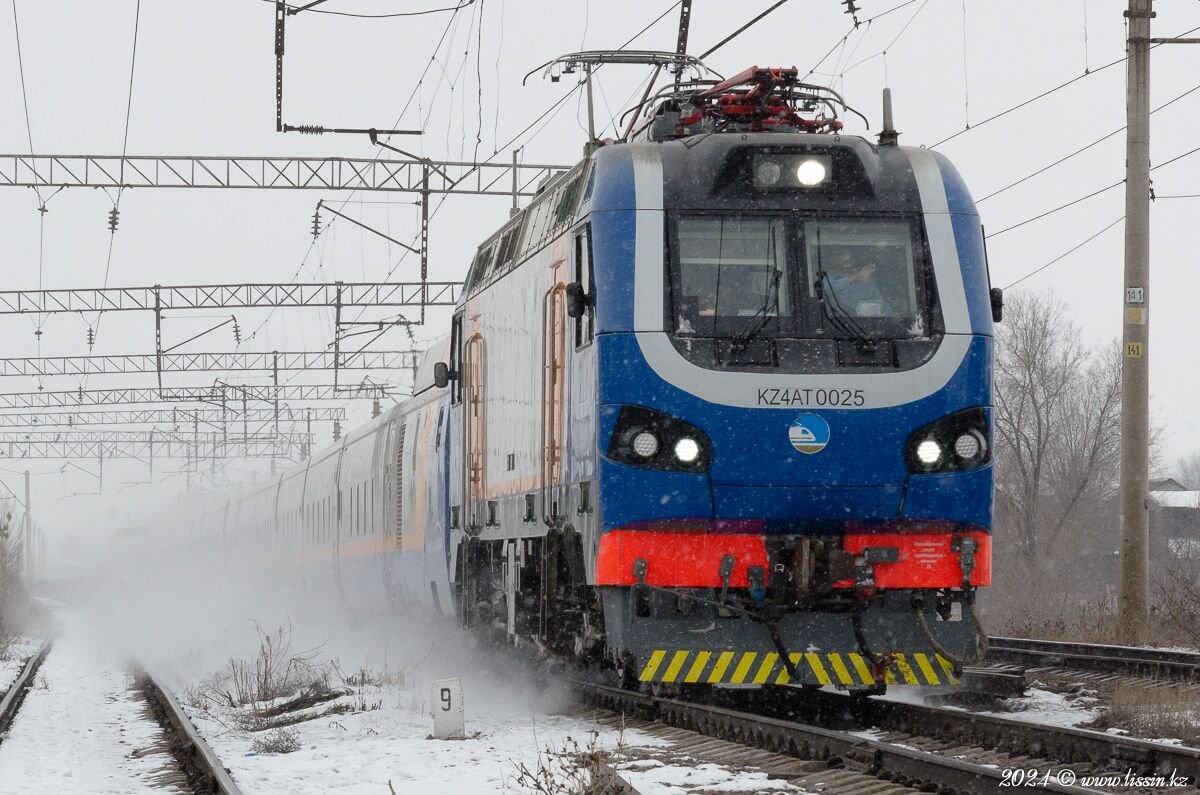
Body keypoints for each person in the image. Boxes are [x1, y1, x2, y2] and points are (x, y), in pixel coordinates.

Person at [825, 250, 887, 317]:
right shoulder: (829, 278)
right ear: (835, 261)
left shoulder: (868, 282)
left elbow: (881, 305)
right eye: (843, 260)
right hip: (834, 323)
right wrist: (856, 277)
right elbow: (826, 290)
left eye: (850, 260)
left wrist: (894, 318)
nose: (847, 264)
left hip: (861, 325)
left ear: (854, 261)